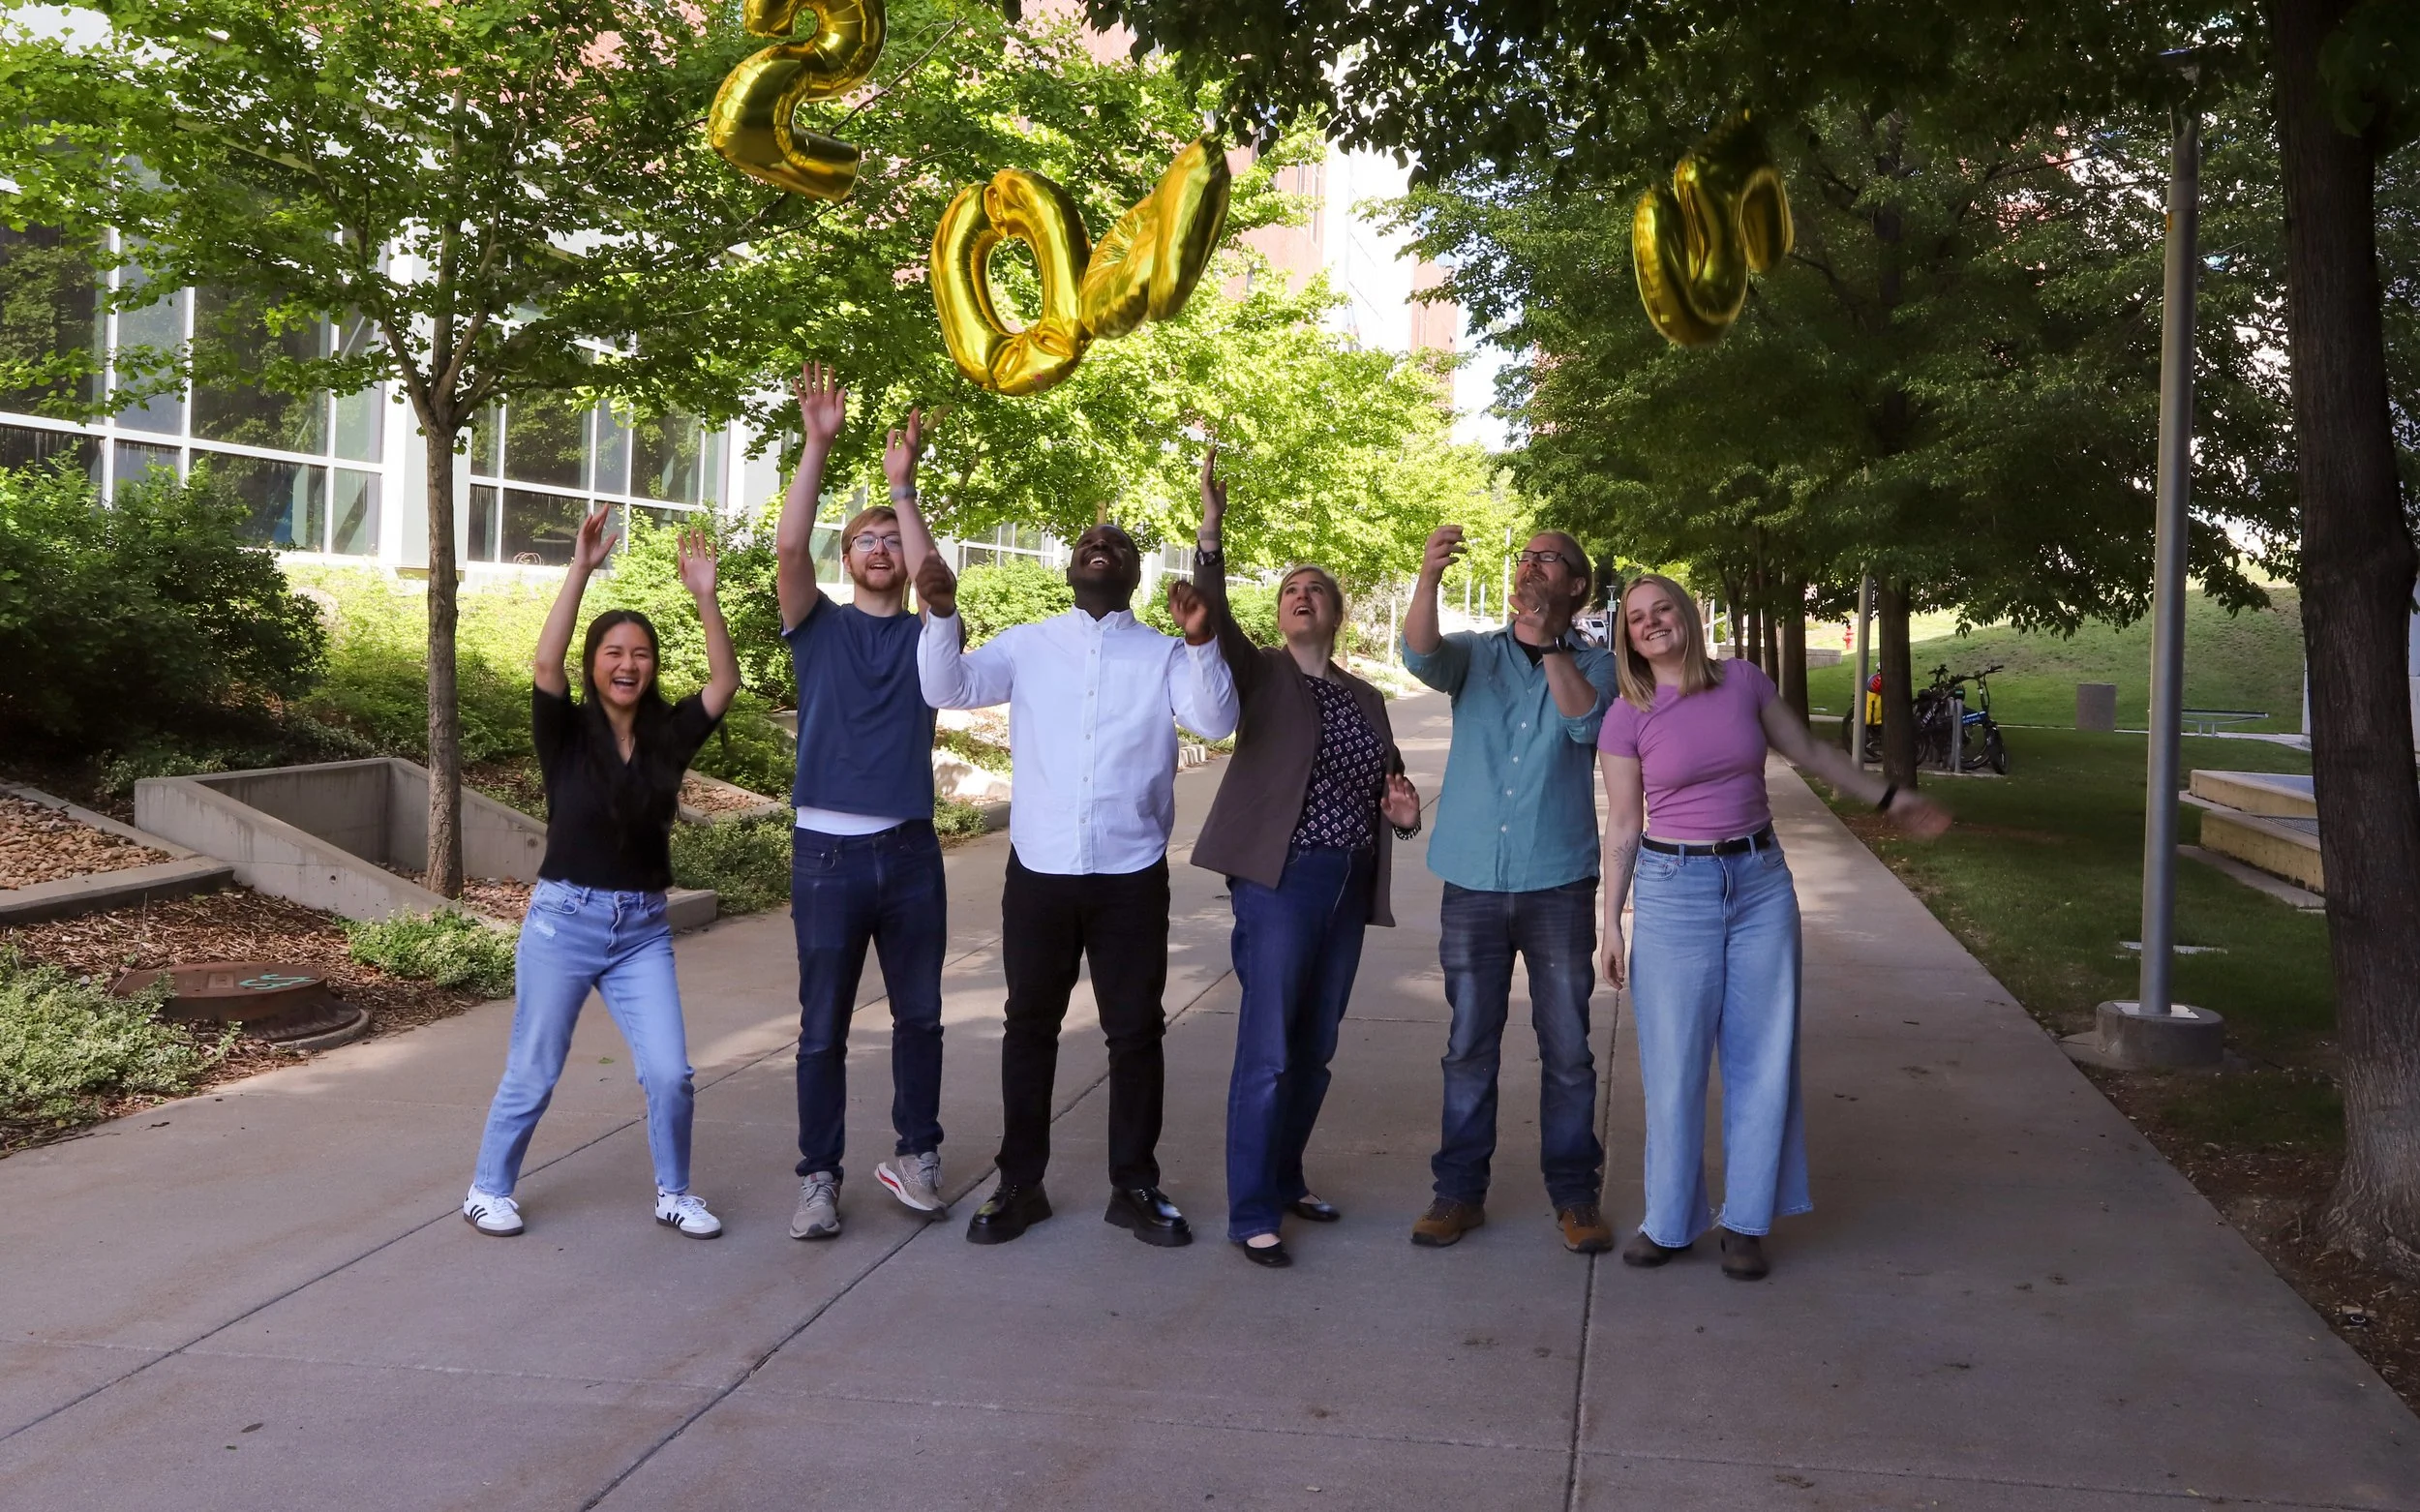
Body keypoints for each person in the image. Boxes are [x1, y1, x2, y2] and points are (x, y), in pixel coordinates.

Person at [1598, 573, 1948, 1280]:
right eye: (1637, 619)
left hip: (1759, 884)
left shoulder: (1745, 683)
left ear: (1688, 616)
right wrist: (1609, 921)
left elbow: (1812, 754)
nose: (1652, 622)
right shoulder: (1627, 713)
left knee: (1764, 1059)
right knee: (1674, 1065)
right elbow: (1622, 823)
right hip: (1674, 890)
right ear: (1627, 638)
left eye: (1663, 608)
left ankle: (1746, 1223)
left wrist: (1890, 798)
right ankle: (1667, 1222)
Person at [915, 515, 1239, 1248]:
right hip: (1041, 871)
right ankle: (1020, 1185)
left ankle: (1134, 1185)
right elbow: (948, 686)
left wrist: (1200, 640)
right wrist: (940, 615)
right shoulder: (1030, 644)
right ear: (1070, 568)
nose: (1102, 547)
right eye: (1089, 543)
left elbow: (1215, 720)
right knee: (1029, 1027)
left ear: (1134, 575)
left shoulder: (1161, 653)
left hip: (1129, 874)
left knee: (1135, 1033)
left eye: (1119, 546)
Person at [463, 505, 740, 1240]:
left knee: (672, 1073)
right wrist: (581, 570)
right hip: (564, 921)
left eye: (641, 653)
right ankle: (488, 1188)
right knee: (536, 1068)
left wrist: (705, 596)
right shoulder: (564, 733)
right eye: (614, 651)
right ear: (596, 664)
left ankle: (674, 1192)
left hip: (642, 929)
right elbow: (544, 664)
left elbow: (725, 681)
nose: (628, 663)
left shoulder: (670, 736)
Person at [1189, 449, 1424, 1268]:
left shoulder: (1366, 698)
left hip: (1347, 884)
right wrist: (1211, 531)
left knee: (1316, 1045)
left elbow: (1387, 785)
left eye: (1315, 589)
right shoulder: (1261, 675)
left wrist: (1403, 816)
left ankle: (1286, 1179)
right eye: (1290, 589)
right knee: (1269, 1048)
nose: (1300, 596)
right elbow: (1213, 615)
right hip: (1280, 883)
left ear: (1338, 613)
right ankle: (1251, 1208)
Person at [1401, 523, 1620, 1255]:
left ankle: (1575, 1197)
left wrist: (1554, 643)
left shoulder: (1602, 665)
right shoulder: (1477, 654)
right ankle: (1458, 1193)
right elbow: (1420, 654)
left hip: (1556, 881)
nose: (1528, 567)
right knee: (1469, 1045)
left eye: (1546, 559)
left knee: (1567, 1048)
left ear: (1576, 585)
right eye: (1523, 556)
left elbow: (1586, 721)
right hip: (1471, 880)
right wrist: (1428, 576)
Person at [775, 362, 953, 1242]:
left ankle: (917, 1154)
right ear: (847, 560)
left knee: (920, 1016)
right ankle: (819, 1179)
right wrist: (817, 445)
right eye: (867, 539)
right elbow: (787, 550)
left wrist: (901, 487)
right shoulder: (818, 625)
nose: (883, 547)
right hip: (827, 857)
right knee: (821, 1032)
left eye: (892, 538)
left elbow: (934, 580)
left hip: (912, 854)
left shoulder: (930, 635)